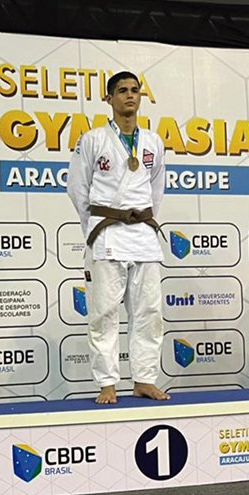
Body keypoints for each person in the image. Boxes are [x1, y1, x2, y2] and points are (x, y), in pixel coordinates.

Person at [67, 71, 169, 404]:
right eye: (122, 91)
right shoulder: (93, 139)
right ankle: (107, 383)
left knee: (149, 313)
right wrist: (95, 226)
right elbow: (78, 189)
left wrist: (140, 218)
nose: (129, 96)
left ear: (141, 98)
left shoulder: (153, 142)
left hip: (143, 236)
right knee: (104, 314)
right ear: (109, 99)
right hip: (108, 235)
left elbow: (156, 189)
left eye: (134, 90)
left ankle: (144, 379)